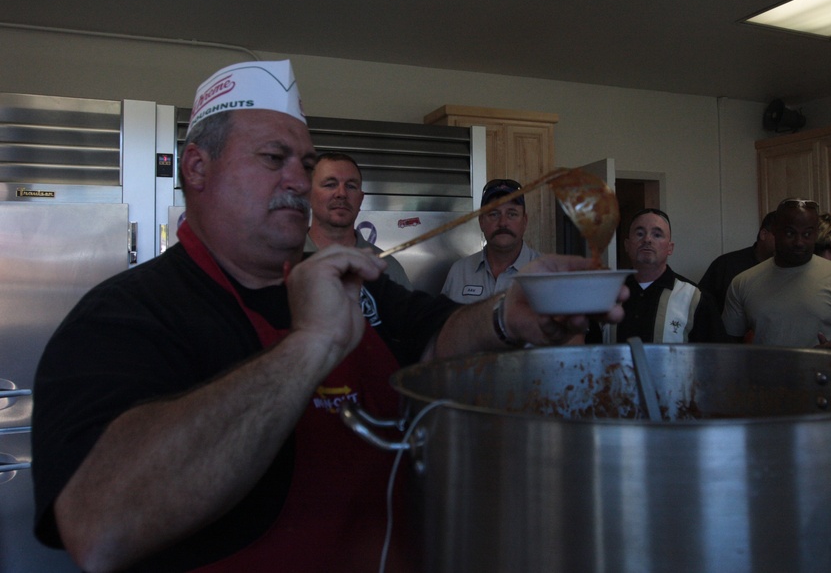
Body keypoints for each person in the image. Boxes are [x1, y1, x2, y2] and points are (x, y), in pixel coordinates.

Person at [31, 60, 625, 573]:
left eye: (305, 160)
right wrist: (308, 345)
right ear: (197, 169)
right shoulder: (125, 316)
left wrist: (509, 312)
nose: (300, 179)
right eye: (274, 158)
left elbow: (437, 338)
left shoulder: (355, 282)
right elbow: (99, 528)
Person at [722, 198, 831, 351]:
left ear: (815, 234)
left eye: (807, 234)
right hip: (765, 380)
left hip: (824, 379)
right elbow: (730, 344)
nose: (799, 242)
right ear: (775, 232)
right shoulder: (743, 282)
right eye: (790, 233)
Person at [592, 208, 726, 343]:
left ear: (670, 248)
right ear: (627, 245)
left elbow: (716, 358)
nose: (647, 239)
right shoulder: (605, 295)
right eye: (640, 233)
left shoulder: (695, 298)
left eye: (657, 234)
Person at [305, 151, 412, 288]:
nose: (342, 194)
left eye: (351, 186)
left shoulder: (387, 268)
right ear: (307, 195)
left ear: (361, 200)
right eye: (330, 184)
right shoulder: (284, 261)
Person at [441, 178, 540, 303]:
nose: (503, 223)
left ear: (524, 221)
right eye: (494, 214)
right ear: (481, 221)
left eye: (512, 214)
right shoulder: (459, 272)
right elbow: (444, 321)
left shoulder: (547, 273)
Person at [698, 211, 776, 314]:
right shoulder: (725, 265)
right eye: (782, 234)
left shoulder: (793, 269)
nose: (788, 241)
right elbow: (701, 307)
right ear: (763, 234)